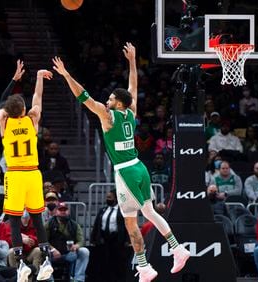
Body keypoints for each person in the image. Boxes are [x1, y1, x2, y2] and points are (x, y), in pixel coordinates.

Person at [52, 42, 190, 282]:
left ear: (118, 104)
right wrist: (132, 62)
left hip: (126, 172)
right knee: (149, 212)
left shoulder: (109, 117)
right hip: (140, 167)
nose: (108, 100)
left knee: (129, 221)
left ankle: (145, 267)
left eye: (112, 98)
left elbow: (83, 96)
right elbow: (133, 86)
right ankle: (177, 249)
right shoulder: (131, 111)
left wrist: (66, 75)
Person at [0, 60, 54, 280]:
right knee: (37, 217)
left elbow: (2, 101)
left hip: (15, 174)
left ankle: (21, 265)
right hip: (33, 173)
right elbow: (38, 99)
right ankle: (47, 259)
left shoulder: (5, 123)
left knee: (13, 218)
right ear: (23, 109)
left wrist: (14, 80)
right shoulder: (32, 120)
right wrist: (38, 77)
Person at [90, 190, 130, 282]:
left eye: (110, 197)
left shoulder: (122, 211)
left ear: (116, 199)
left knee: (117, 264)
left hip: (117, 240)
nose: (107, 199)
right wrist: (93, 238)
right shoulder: (103, 210)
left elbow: (127, 226)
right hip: (104, 239)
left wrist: (128, 240)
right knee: (104, 263)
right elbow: (97, 225)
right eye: (107, 197)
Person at [46, 202, 89, 282]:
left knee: (84, 251)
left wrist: (76, 246)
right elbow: (44, 241)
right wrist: (53, 249)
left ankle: (78, 279)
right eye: (60, 210)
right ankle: (49, 279)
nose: (63, 212)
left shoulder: (74, 225)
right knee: (43, 252)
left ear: (68, 211)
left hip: (69, 254)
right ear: (56, 211)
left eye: (65, 210)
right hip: (52, 254)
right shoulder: (49, 224)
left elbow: (81, 240)